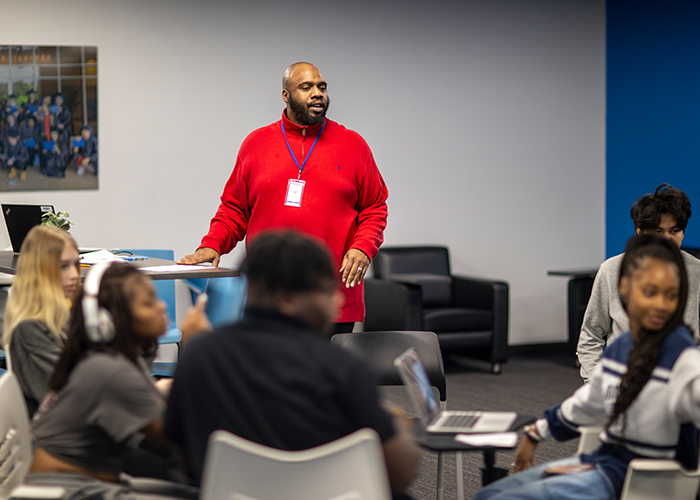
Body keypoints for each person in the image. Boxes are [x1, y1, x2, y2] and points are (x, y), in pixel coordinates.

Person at [165, 231, 419, 497]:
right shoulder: (343, 367)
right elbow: (399, 474)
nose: (338, 301)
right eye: (327, 291)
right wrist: (397, 425)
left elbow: (181, 450)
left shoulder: (200, 353)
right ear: (286, 298)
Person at [474, 234, 700, 500]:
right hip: (601, 461)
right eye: (650, 292)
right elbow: (590, 401)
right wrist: (536, 433)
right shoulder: (623, 346)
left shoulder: (682, 356)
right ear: (625, 288)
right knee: (492, 492)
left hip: (634, 480)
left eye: (671, 295)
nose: (661, 305)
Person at [179, 62, 388, 334]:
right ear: (286, 95)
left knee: (322, 376)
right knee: (266, 375)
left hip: (329, 296)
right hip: (268, 294)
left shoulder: (353, 144)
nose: (317, 93)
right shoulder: (256, 144)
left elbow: (375, 206)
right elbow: (234, 208)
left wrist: (363, 247)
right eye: (306, 87)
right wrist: (213, 245)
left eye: (321, 87)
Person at [26, 263, 209, 499]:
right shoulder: (111, 372)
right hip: (67, 490)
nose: (162, 306)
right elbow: (177, 437)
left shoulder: (107, 360)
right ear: (107, 320)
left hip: (81, 483)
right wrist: (194, 349)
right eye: (148, 303)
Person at [577, 183, 700, 381]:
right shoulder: (611, 271)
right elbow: (591, 336)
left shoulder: (697, 272)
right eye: (658, 232)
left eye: (674, 231)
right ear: (640, 232)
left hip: (681, 382)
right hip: (623, 380)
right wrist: (597, 382)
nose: (667, 239)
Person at [2, 226, 80, 415]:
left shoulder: (70, 314)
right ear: (39, 271)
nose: (74, 275)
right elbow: (70, 394)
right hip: (65, 433)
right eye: (63, 266)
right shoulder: (30, 328)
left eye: (76, 264)